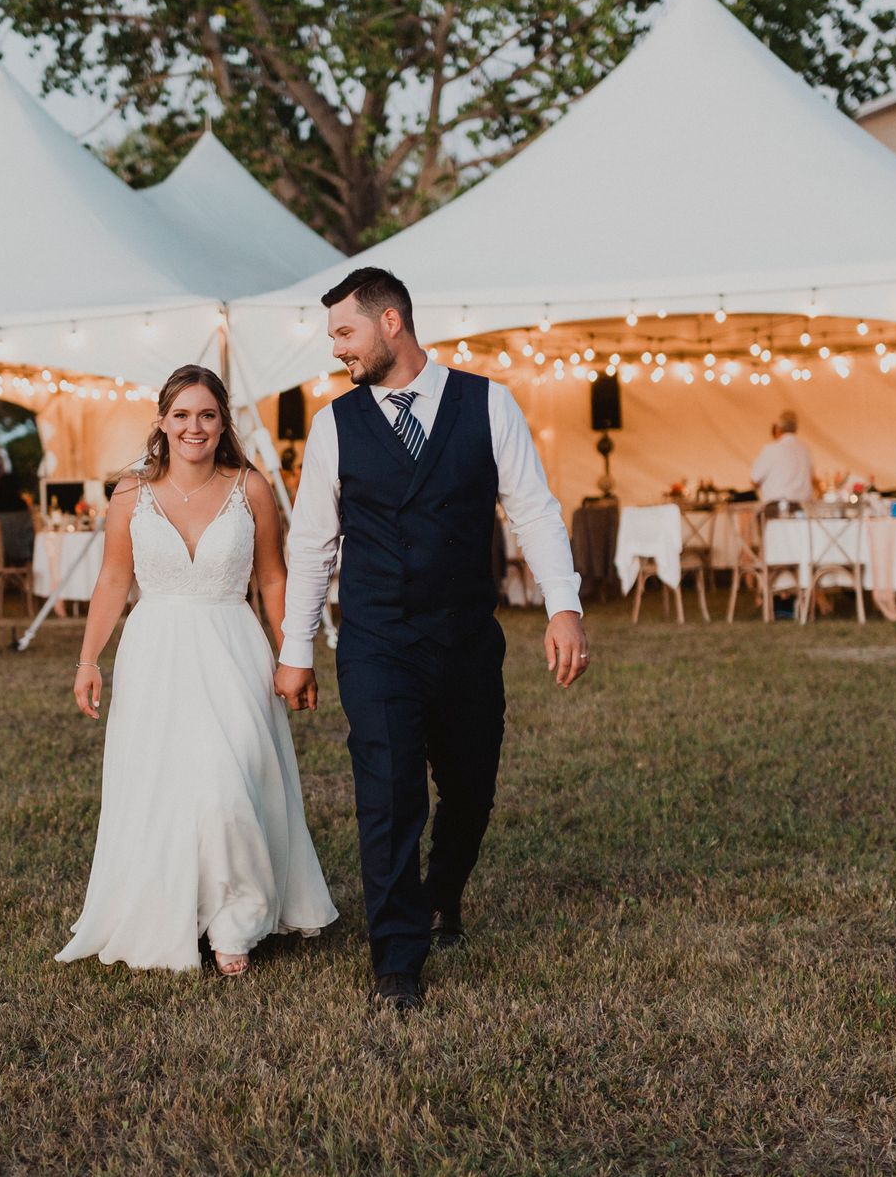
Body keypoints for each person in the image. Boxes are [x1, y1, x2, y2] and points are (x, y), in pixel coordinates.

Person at [272, 267, 588, 1014]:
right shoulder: (333, 425)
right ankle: (397, 957)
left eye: (345, 333)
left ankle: (444, 893)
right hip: (378, 639)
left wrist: (563, 606)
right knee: (386, 792)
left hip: (466, 637)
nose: (336, 351)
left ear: (390, 323)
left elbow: (535, 512)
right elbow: (313, 543)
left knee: (471, 787)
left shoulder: (488, 404)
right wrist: (296, 647)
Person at [58, 366, 336, 976]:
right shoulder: (130, 492)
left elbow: (271, 578)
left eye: (207, 415)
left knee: (228, 784)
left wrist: (297, 653)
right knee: (164, 787)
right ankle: (178, 911)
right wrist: (88, 660)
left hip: (232, 647)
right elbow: (111, 578)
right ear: (161, 421)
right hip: (155, 652)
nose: (194, 427)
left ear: (222, 423)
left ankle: (237, 916)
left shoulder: (251, 488)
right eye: (181, 415)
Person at [751, 410, 815, 508]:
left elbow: (754, 479)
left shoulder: (771, 449)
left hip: (776, 510)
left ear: (778, 429)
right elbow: (812, 479)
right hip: (803, 509)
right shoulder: (805, 450)